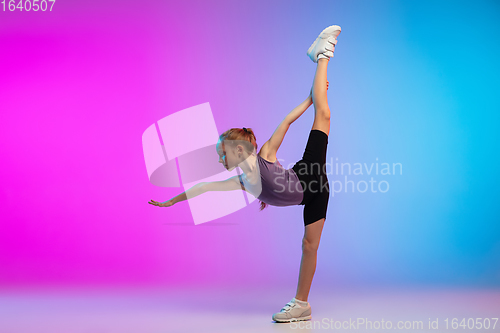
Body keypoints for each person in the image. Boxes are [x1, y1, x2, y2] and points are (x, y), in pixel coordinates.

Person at [149, 24, 341, 323]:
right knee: (308, 245)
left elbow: (287, 122)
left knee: (323, 112)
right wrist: (172, 202)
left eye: (220, 153)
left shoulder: (265, 154)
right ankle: (301, 305)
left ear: (238, 150)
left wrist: (310, 98)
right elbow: (203, 189)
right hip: (313, 194)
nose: (218, 159)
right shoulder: (241, 182)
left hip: (310, 173)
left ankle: (323, 54)